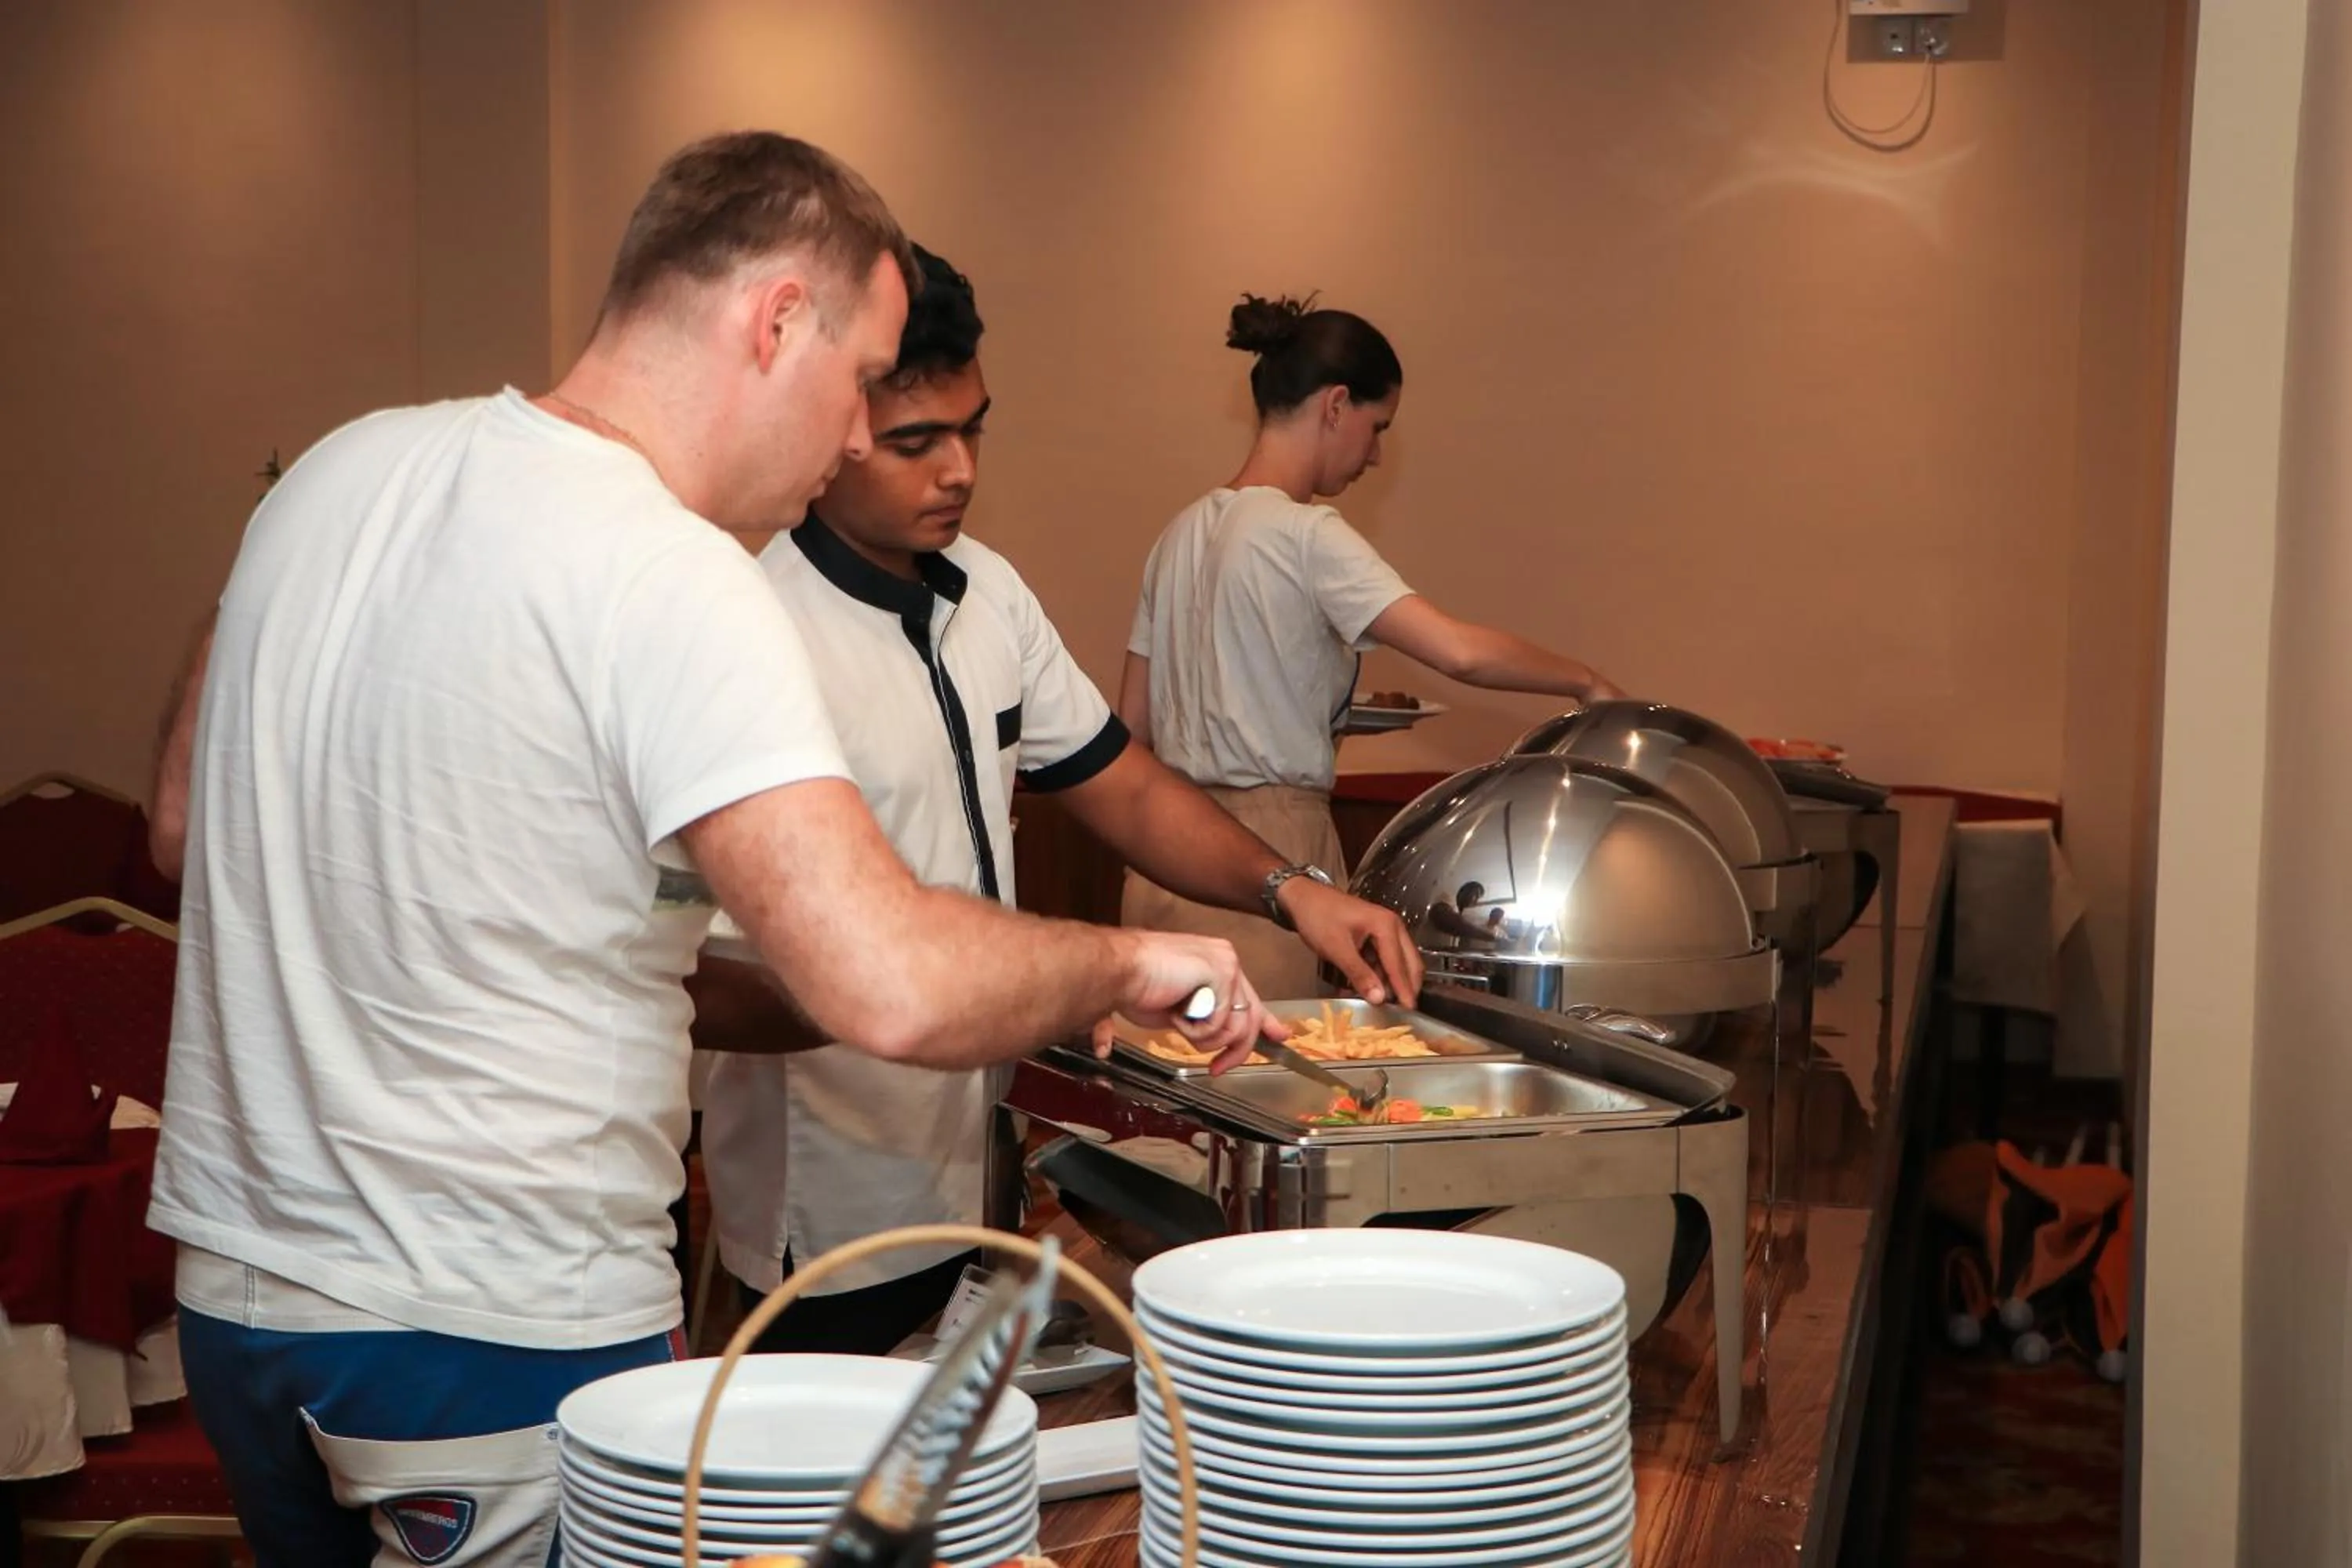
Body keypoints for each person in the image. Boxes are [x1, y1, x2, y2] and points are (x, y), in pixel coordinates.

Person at [143, 132, 1274, 1568]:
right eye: (863, 380)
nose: (855, 438)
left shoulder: (337, 470)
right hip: (494, 1327)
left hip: (240, 1299)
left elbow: (180, 826)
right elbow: (892, 985)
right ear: (776, 320)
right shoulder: (672, 571)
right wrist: (1129, 959)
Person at [688, 247, 1424, 1356]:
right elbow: (701, 988)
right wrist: (991, 989)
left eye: (974, 430)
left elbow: (1120, 783)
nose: (959, 471)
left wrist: (1291, 890)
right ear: (829, 430)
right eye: (917, 442)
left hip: (980, 1157)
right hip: (833, 1206)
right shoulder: (756, 634)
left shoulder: (989, 591)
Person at [1119, 293, 1623, 994]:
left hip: (1162, 860)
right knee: (1269, 1057)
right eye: (1377, 426)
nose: (1377, 454)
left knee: (1161, 1064)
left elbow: (1132, 730)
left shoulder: (1176, 537)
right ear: (1335, 405)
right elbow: (1459, 651)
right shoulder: (1306, 534)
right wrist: (1584, 681)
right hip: (1270, 860)